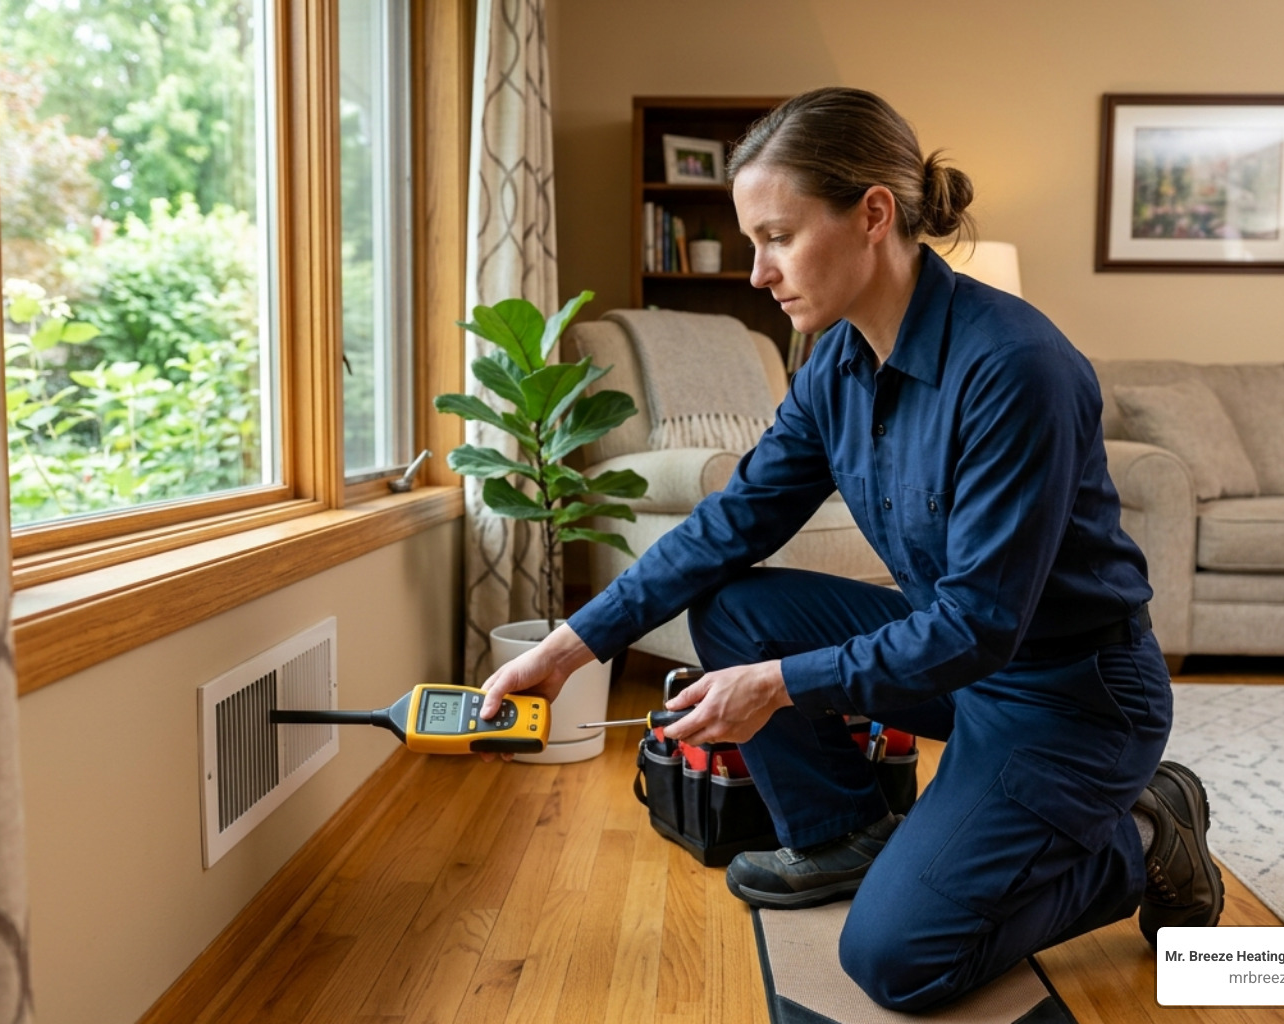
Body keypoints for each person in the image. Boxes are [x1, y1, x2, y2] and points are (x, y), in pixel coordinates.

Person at [479, 86, 1223, 1012]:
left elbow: (979, 626)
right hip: (958, 662)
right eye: (752, 242)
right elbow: (733, 521)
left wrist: (778, 686)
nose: (759, 273)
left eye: (778, 238)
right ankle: (847, 833)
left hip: (1069, 698)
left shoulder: (1016, 368)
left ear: (873, 214)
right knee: (735, 606)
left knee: (897, 962)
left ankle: (1146, 833)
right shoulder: (834, 362)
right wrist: (569, 646)